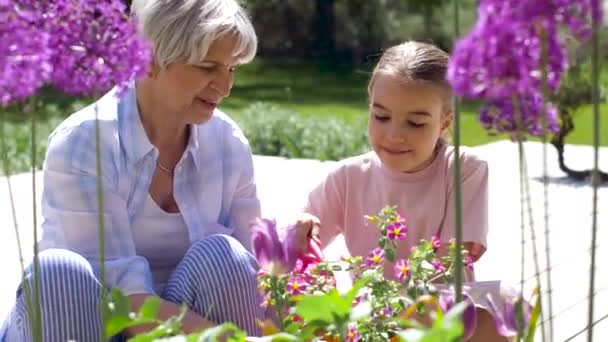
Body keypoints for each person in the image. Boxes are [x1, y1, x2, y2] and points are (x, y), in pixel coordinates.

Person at [2, 0, 264, 340]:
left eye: (231, 69)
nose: (225, 87)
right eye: (208, 67)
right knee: (56, 271)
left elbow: (257, 274)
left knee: (225, 256)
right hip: (85, 322)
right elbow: (123, 302)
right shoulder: (86, 143)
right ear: (150, 58)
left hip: (182, 326)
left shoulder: (228, 143)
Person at [295, 41, 504, 341]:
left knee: (495, 311)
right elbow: (295, 243)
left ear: (444, 122)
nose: (394, 135)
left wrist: (396, 314)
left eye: (416, 123)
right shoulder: (347, 177)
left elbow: (447, 267)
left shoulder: (463, 169)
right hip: (370, 319)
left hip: (437, 320)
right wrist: (300, 229)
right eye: (381, 117)